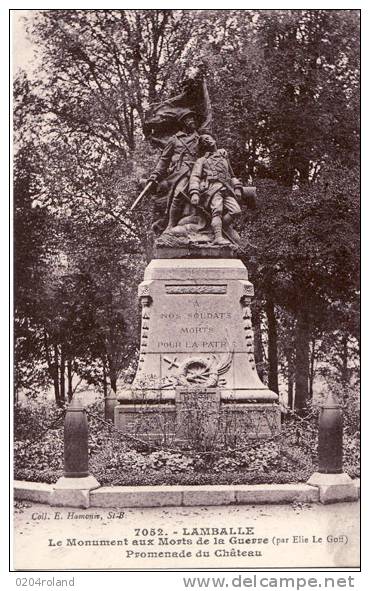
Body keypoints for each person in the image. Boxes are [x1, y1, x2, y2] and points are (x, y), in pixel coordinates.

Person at [148, 109, 200, 231]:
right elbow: (164, 159)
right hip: (180, 172)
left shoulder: (200, 138)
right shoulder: (174, 139)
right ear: (183, 122)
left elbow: (210, 151)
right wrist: (155, 174)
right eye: (189, 119)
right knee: (178, 193)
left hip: (197, 171)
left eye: (193, 118)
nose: (192, 121)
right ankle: (170, 224)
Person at [188, 134, 243, 245]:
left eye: (208, 138)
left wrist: (237, 188)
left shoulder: (224, 158)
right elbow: (195, 176)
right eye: (204, 141)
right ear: (203, 146)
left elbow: (232, 176)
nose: (207, 140)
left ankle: (216, 229)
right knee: (217, 212)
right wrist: (194, 193)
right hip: (212, 189)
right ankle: (218, 237)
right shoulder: (202, 160)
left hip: (226, 189)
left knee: (236, 211)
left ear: (214, 139)